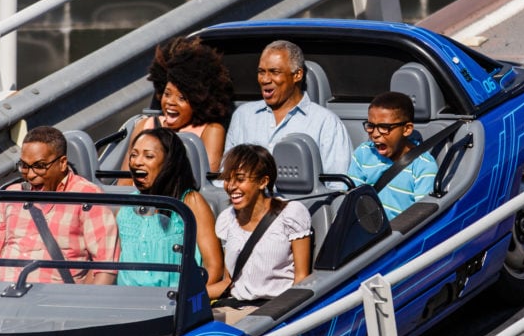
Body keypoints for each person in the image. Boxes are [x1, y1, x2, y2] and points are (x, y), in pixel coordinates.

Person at [0, 126, 119, 285]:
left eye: (40, 166)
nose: (30, 174)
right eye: (25, 166)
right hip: (5, 297)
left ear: (62, 163)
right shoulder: (12, 196)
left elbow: (105, 267)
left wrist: (82, 307)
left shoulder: (88, 197)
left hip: (54, 302)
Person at [116, 127, 228, 298]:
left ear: (168, 162)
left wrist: (189, 301)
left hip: (174, 303)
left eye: (148, 156)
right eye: (134, 154)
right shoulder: (125, 209)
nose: (137, 162)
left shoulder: (190, 202)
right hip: (128, 303)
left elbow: (214, 267)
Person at [212, 144, 312, 324]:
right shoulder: (227, 219)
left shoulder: (291, 214)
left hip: (271, 311)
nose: (231, 186)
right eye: (227, 179)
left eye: (240, 179)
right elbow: (229, 281)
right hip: (232, 307)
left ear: (263, 182)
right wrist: (185, 296)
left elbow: (301, 279)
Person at [224, 40, 352, 174]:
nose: (265, 79)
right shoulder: (243, 116)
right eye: (261, 72)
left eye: (274, 72)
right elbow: (225, 176)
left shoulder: (326, 123)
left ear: (297, 75)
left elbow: (338, 188)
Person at [118, 36, 234, 182]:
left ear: (198, 100)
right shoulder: (144, 125)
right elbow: (124, 182)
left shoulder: (211, 131)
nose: (170, 102)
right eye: (167, 94)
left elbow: (207, 184)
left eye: (182, 98)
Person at [347, 91, 438, 219]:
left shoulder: (423, 165)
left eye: (384, 127)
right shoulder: (364, 153)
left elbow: (421, 217)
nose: (375, 134)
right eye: (371, 126)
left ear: (406, 129)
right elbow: (353, 200)